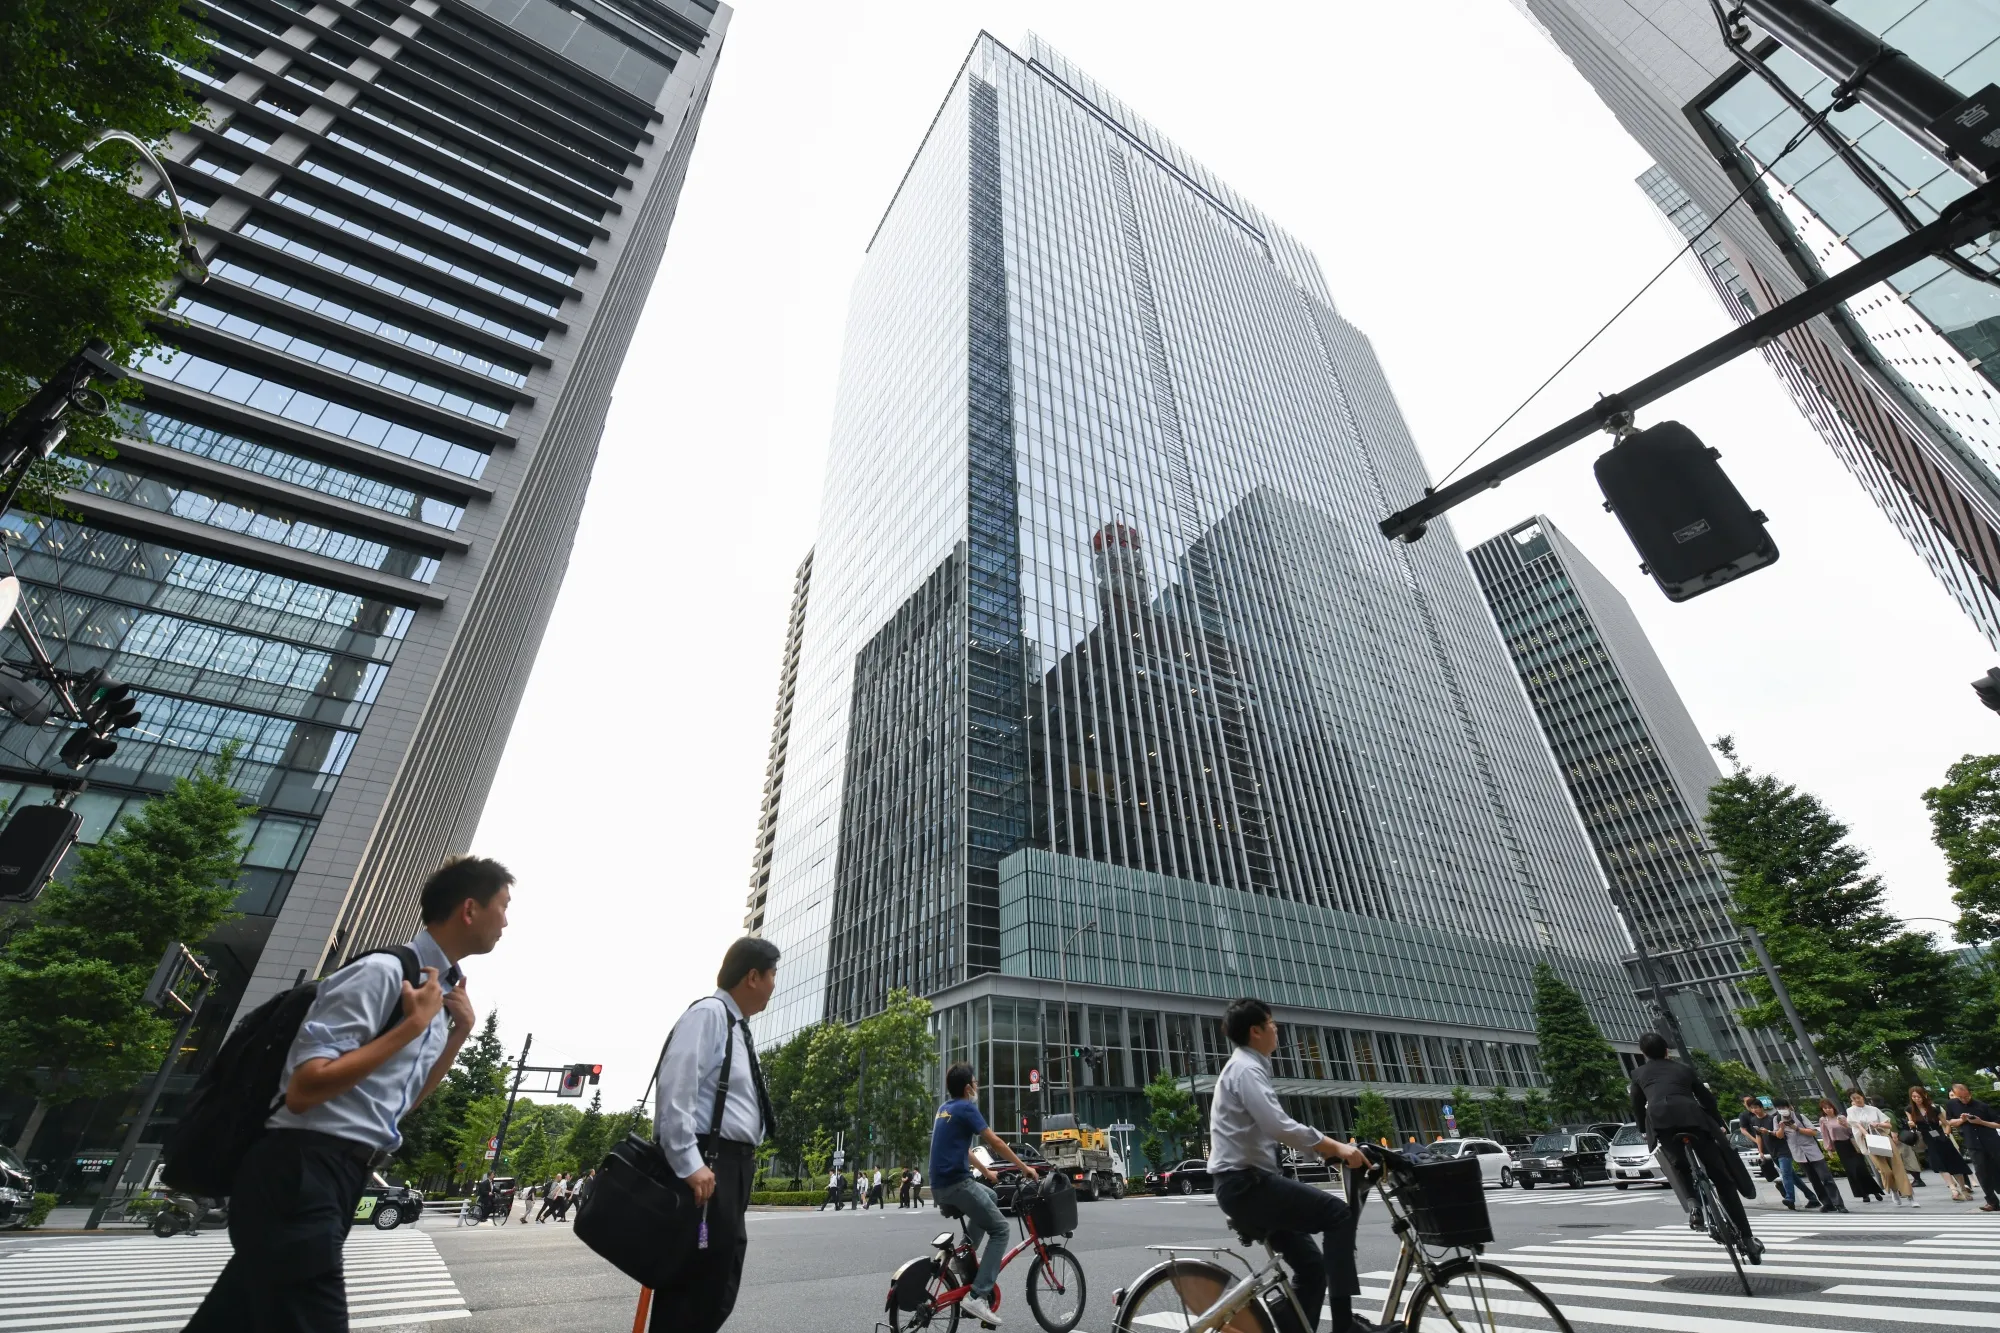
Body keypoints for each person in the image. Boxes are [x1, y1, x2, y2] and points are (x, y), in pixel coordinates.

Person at [183, 855, 511, 1333]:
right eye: (503, 906)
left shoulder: (436, 998)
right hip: (299, 1170)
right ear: (469, 909)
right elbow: (304, 1089)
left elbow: (397, 1107)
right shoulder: (383, 973)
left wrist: (457, 1033)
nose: (506, 921)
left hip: (339, 1174)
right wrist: (411, 1027)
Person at [1209, 998, 1393, 1333]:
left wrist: (1326, 1154)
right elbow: (1278, 1126)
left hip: (1248, 1184)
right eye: (1271, 1022)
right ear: (1255, 1031)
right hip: (1246, 1185)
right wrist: (1335, 1146)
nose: (1276, 1028)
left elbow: (1271, 1130)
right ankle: (1344, 1327)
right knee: (1338, 1215)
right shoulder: (1246, 1069)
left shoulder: (1250, 1067)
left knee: (1312, 1268)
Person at [650, 937, 780, 1333]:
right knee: (695, 1287)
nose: (774, 985)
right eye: (772, 974)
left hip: (731, 1166)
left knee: (719, 1281)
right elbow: (676, 1088)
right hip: (710, 1163)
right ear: (752, 976)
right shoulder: (709, 1014)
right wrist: (690, 1164)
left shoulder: (737, 1026)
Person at [1630, 1033, 1762, 1260]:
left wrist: (1643, 1129)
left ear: (1644, 1053)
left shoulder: (1638, 1073)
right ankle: (1748, 1240)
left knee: (1679, 1165)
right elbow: (1707, 1099)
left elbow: (1637, 1105)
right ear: (1666, 1050)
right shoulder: (1683, 1069)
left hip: (1661, 1121)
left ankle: (1694, 1206)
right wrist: (1718, 1122)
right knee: (1721, 1177)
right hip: (1693, 1118)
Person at [929, 1062, 1039, 1328]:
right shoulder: (967, 1108)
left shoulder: (945, 1109)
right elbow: (996, 1142)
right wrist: (1024, 1167)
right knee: (1001, 1229)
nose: (977, 1086)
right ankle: (977, 1296)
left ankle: (962, 1257)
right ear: (968, 1088)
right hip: (956, 1184)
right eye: (975, 1083)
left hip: (941, 1185)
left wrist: (987, 1172)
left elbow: (964, 1150)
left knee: (990, 1196)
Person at [1738, 1095, 1819, 1211]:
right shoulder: (1754, 1120)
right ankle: (1812, 1197)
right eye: (1752, 1108)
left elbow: (1780, 1135)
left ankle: (1790, 1198)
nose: (1754, 1110)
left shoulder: (1773, 1119)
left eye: (1756, 1107)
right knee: (1792, 1176)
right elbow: (1758, 1136)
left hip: (1783, 1150)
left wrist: (1769, 1132)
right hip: (1772, 1151)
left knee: (1785, 1174)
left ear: (1761, 1107)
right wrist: (1760, 1151)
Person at [1773, 1101, 1845, 1213]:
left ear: (1789, 1107)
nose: (1782, 1110)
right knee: (1814, 1181)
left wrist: (1796, 1128)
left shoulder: (1800, 1116)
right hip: (1798, 1154)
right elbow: (1779, 1136)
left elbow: (1813, 1132)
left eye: (1784, 1107)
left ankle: (1839, 1204)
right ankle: (1827, 1203)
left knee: (1826, 1178)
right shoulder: (1777, 1119)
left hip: (1813, 1152)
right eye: (1779, 1108)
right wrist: (1781, 1128)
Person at [1847, 1091, 1915, 1206]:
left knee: (1897, 1166)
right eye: (1854, 1099)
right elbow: (1857, 1126)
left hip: (1882, 1136)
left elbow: (1888, 1124)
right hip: (1869, 1139)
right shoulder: (1851, 1111)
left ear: (1862, 1097)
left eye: (1858, 1097)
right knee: (1885, 1171)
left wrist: (1878, 1124)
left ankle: (1910, 1196)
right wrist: (1868, 1136)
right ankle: (1894, 1190)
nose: (1857, 1100)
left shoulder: (1873, 1109)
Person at [1909, 1087, 1972, 1202]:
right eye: (1914, 1097)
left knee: (1955, 1163)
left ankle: (1963, 1188)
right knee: (1939, 1164)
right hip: (1928, 1140)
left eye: (1919, 1096)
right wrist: (1911, 1124)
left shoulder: (1934, 1108)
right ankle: (1953, 1189)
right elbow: (1912, 1126)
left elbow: (1946, 1124)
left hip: (1941, 1138)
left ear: (1924, 1096)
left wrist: (1946, 1134)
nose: (1916, 1099)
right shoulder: (1910, 1110)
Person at [1817, 1097, 1884, 1203]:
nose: (1827, 1110)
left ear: (1833, 1107)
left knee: (1861, 1168)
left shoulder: (1841, 1117)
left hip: (1851, 1144)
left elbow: (1852, 1130)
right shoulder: (1823, 1120)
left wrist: (1845, 1125)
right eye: (1825, 1108)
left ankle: (1875, 1191)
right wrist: (1829, 1149)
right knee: (1852, 1172)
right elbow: (1825, 1135)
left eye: (1829, 1107)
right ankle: (1864, 1194)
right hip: (1840, 1147)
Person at [1947, 1082, 2000, 1212]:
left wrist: (1980, 1122)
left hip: (1991, 1142)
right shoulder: (1952, 1105)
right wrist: (1962, 1120)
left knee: (1996, 1169)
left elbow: (1998, 1124)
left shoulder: (1982, 1106)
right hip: (1973, 1144)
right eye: (1960, 1097)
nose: (1964, 1099)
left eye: (1966, 1096)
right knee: (1981, 1173)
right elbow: (1950, 1121)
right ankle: (1992, 1202)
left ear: (1970, 1093)